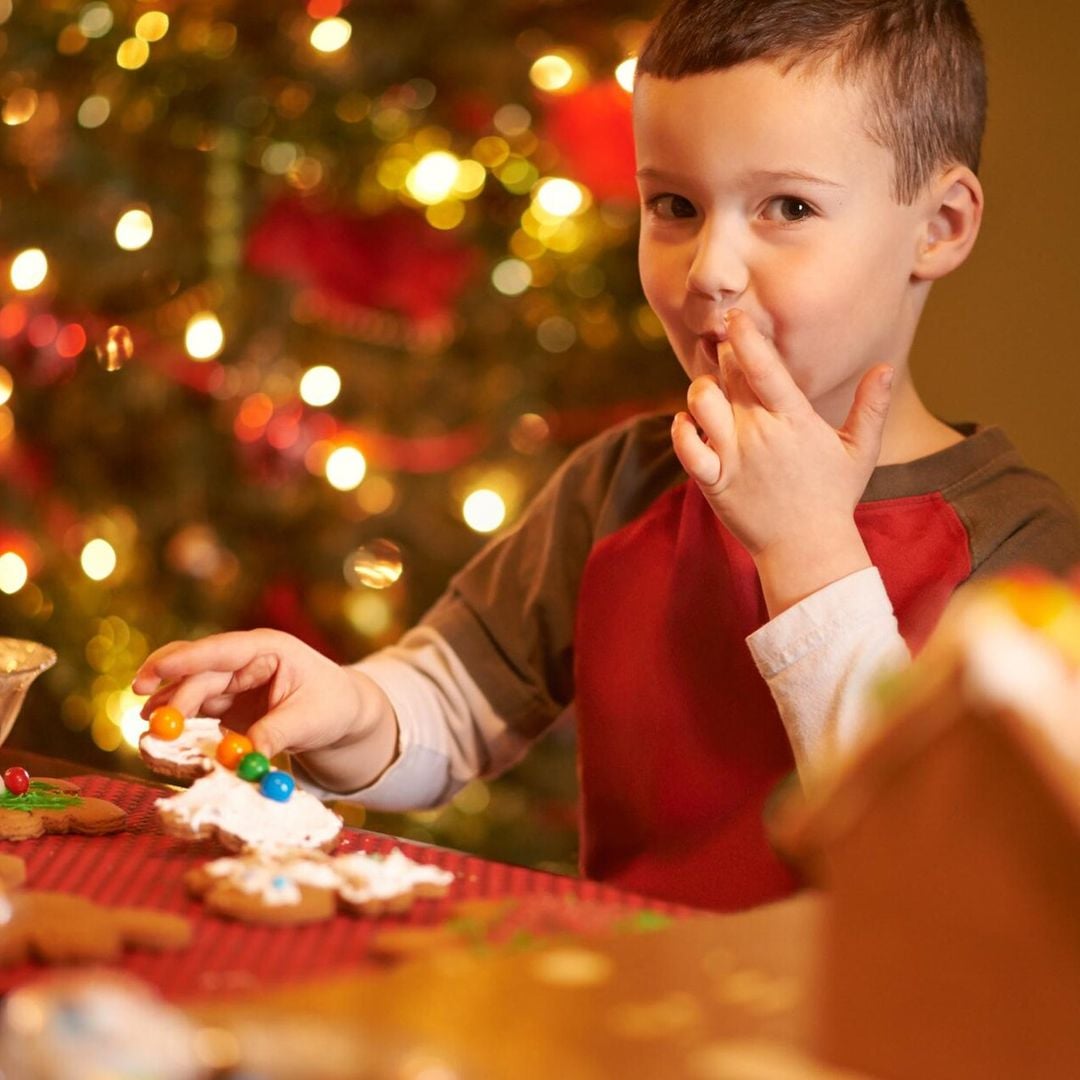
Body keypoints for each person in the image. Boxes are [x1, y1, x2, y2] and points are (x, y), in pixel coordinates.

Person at [135, 0, 1080, 911]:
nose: (710, 269)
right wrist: (345, 705)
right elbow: (454, 704)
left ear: (940, 225)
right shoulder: (624, 484)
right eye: (673, 204)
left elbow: (932, 873)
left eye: (787, 207)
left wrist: (808, 551)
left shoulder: (1017, 551)